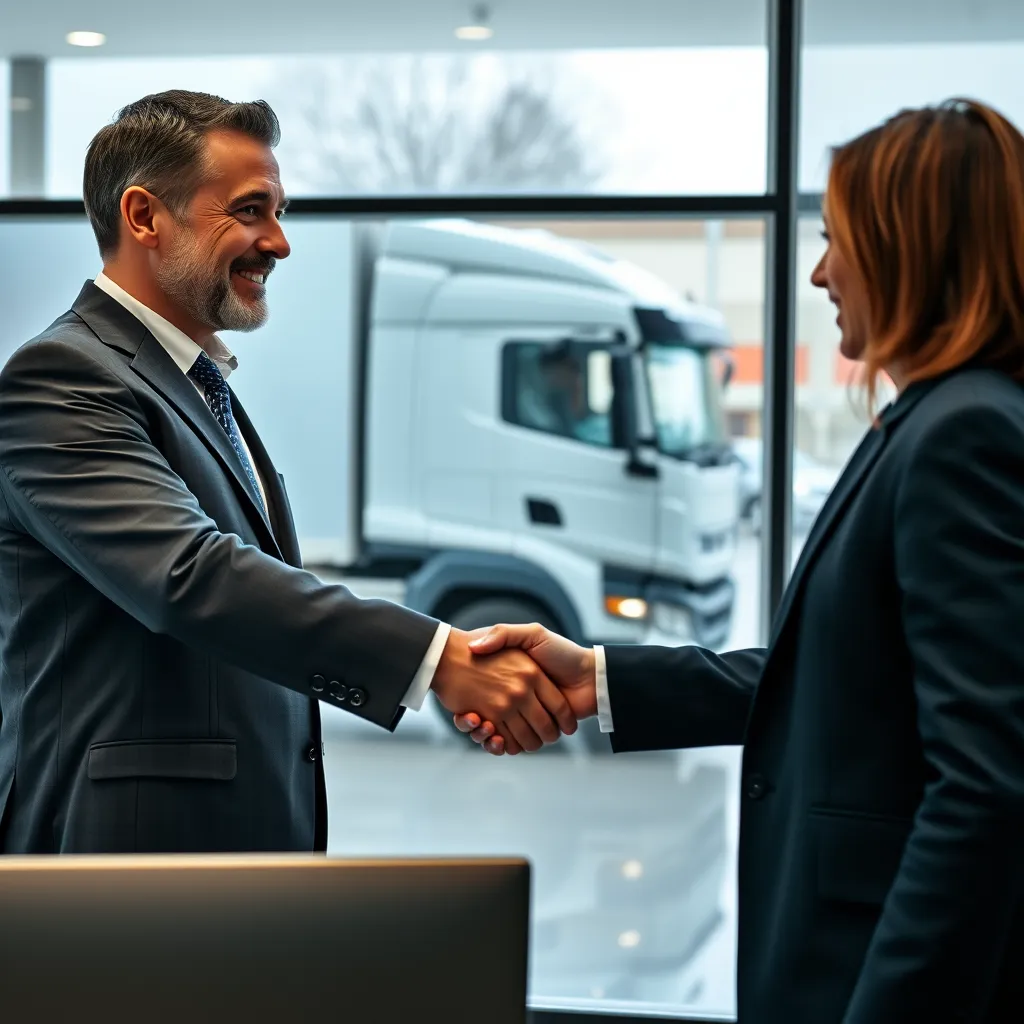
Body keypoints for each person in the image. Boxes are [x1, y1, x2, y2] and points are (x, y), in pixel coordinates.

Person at [457, 98, 1024, 1023]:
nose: (820, 272)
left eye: (837, 241)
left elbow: (986, 790)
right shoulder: (937, 420)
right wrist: (599, 679)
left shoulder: (964, 435)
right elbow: (838, 679)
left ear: (910, 250)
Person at [0, 90, 575, 855]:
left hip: (212, 850)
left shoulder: (193, 381)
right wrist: (434, 661)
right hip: (119, 857)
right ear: (144, 217)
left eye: (278, 212)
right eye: (249, 211)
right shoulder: (62, 376)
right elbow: (189, 576)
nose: (278, 242)